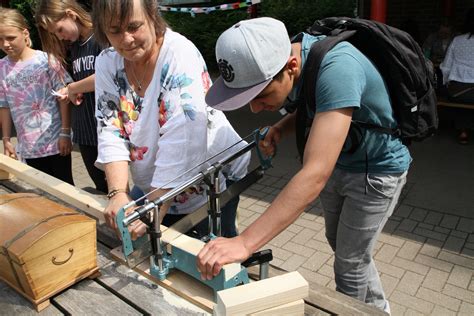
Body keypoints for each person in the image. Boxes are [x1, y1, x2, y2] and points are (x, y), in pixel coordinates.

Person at [198, 17, 412, 313]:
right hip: (343, 161)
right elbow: (320, 109)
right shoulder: (302, 59)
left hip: (375, 172)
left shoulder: (338, 67)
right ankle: (379, 309)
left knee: (350, 265)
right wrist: (281, 128)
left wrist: (245, 242)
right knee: (344, 247)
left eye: (260, 96)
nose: (254, 108)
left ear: (291, 67)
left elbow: (314, 174)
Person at [91, 0, 250, 239]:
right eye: (114, 31)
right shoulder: (107, 61)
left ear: (152, 14)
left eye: (134, 26)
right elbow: (110, 129)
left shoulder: (179, 54)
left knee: (214, 250)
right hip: (158, 182)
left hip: (210, 178)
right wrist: (117, 193)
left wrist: (153, 209)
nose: (125, 40)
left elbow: (183, 140)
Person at [35, 0, 108, 193]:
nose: (60, 36)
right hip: (84, 131)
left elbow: (107, 75)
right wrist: (76, 92)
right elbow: (84, 82)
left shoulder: (102, 36)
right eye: (55, 34)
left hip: (107, 131)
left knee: (114, 190)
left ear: (71, 14)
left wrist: (72, 88)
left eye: (59, 29)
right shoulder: (75, 47)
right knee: (101, 188)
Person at [0, 7, 74, 185]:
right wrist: (7, 139)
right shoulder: (1, 68)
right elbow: (4, 105)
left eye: (10, 38)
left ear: (25, 33)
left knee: (65, 190)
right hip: (28, 148)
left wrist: (65, 133)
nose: (5, 44)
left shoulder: (46, 60)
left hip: (56, 144)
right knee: (41, 193)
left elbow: (64, 97)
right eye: (0, 40)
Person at [440, 8, 474, 144]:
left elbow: (446, 66)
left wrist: (447, 82)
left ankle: (463, 131)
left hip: (457, 90)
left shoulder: (457, 40)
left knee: (461, 101)